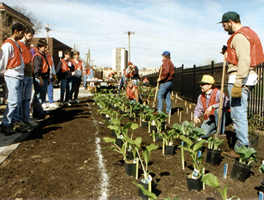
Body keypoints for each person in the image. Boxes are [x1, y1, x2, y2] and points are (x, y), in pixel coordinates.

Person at [219, 11, 264, 158]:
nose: (223, 27)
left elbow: (244, 60)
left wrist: (238, 83)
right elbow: (240, 56)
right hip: (244, 79)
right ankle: (242, 146)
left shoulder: (239, 36)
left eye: (224, 24)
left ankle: (242, 148)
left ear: (231, 22)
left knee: (238, 114)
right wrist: (228, 53)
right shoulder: (247, 34)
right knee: (240, 113)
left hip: (239, 79)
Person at [0, 23, 28, 135]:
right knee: (13, 101)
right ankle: (5, 124)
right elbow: (3, 61)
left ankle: (14, 122)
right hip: (12, 75)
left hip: (19, 75)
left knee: (18, 101)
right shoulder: (8, 45)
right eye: (22, 32)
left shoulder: (16, 44)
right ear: (16, 31)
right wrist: (2, 74)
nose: (23, 35)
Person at [17, 26, 38, 127]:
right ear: (24, 34)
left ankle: (26, 118)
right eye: (29, 35)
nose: (31, 38)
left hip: (29, 74)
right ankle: (20, 119)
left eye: (32, 36)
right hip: (23, 74)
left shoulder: (29, 47)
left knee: (27, 98)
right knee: (21, 98)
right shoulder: (19, 45)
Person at [32, 39, 50, 119]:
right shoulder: (37, 56)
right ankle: (38, 114)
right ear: (39, 47)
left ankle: (38, 113)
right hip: (40, 78)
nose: (46, 48)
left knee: (42, 97)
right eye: (44, 47)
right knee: (38, 97)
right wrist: (40, 78)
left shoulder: (43, 55)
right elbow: (37, 70)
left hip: (45, 77)